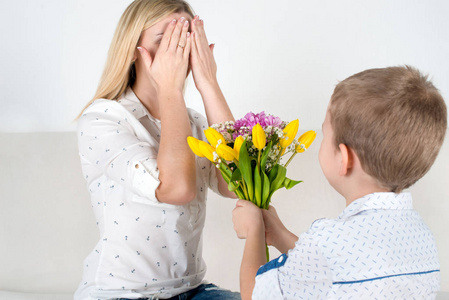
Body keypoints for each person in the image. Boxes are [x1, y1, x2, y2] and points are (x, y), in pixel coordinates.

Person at [232, 66, 447, 299]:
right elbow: (337, 269)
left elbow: (253, 294)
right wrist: (280, 235)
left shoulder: (326, 239)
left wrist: (254, 230)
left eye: (325, 134)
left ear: (344, 159)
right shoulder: (423, 237)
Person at [74, 0, 240, 299]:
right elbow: (176, 189)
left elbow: (238, 185)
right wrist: (170, 89)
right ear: (134, 51)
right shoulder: (103, 119)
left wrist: (209, 83)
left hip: (192, 289)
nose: (179, 51)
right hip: (121, 293)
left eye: (187, 39)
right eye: (166, 41)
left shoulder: (193, 122)